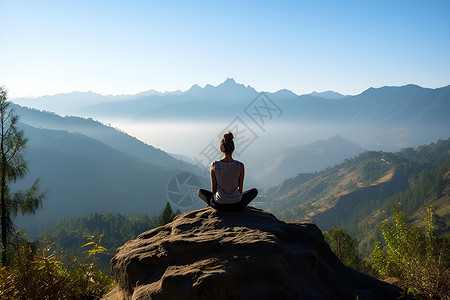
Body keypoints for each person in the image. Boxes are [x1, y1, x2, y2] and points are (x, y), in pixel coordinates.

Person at [197, 131, 258, 211]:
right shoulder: (240, 165)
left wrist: (211, 203)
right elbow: (240, 189)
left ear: (221, 149)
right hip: (237, 204)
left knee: (200, 192)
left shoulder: (214, 165)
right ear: (233, 149)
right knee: (254, 191)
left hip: (219, 205)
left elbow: (214, 189)